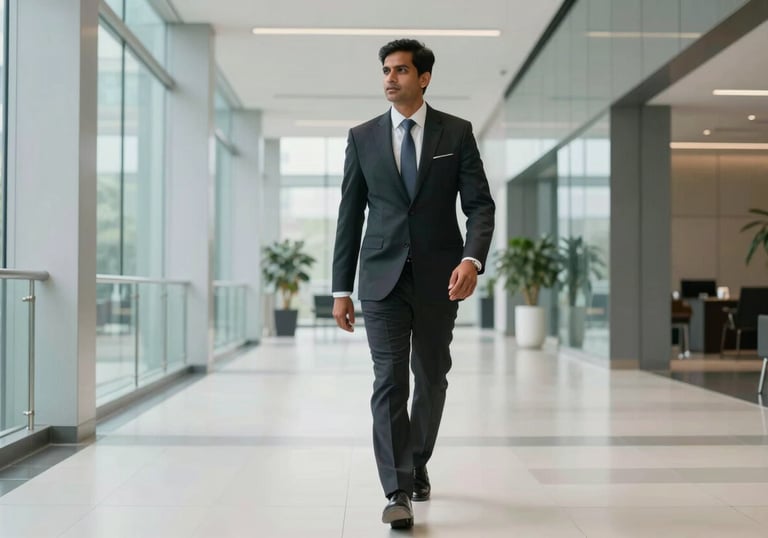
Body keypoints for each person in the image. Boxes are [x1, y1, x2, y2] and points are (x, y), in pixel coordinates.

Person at [331, 39, 495, 529]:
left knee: (431, 375)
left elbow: (479, 206)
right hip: (381, 278)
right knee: (388, 380)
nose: (390, 78)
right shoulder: (363, 137)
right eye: (386, 70)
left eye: (401, 70)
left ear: (423, 78)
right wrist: (341, 289)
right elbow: (349, 215)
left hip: (440, 278)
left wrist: (472, 260)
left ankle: (418, 459)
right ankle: (397, 489)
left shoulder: (456, 132)